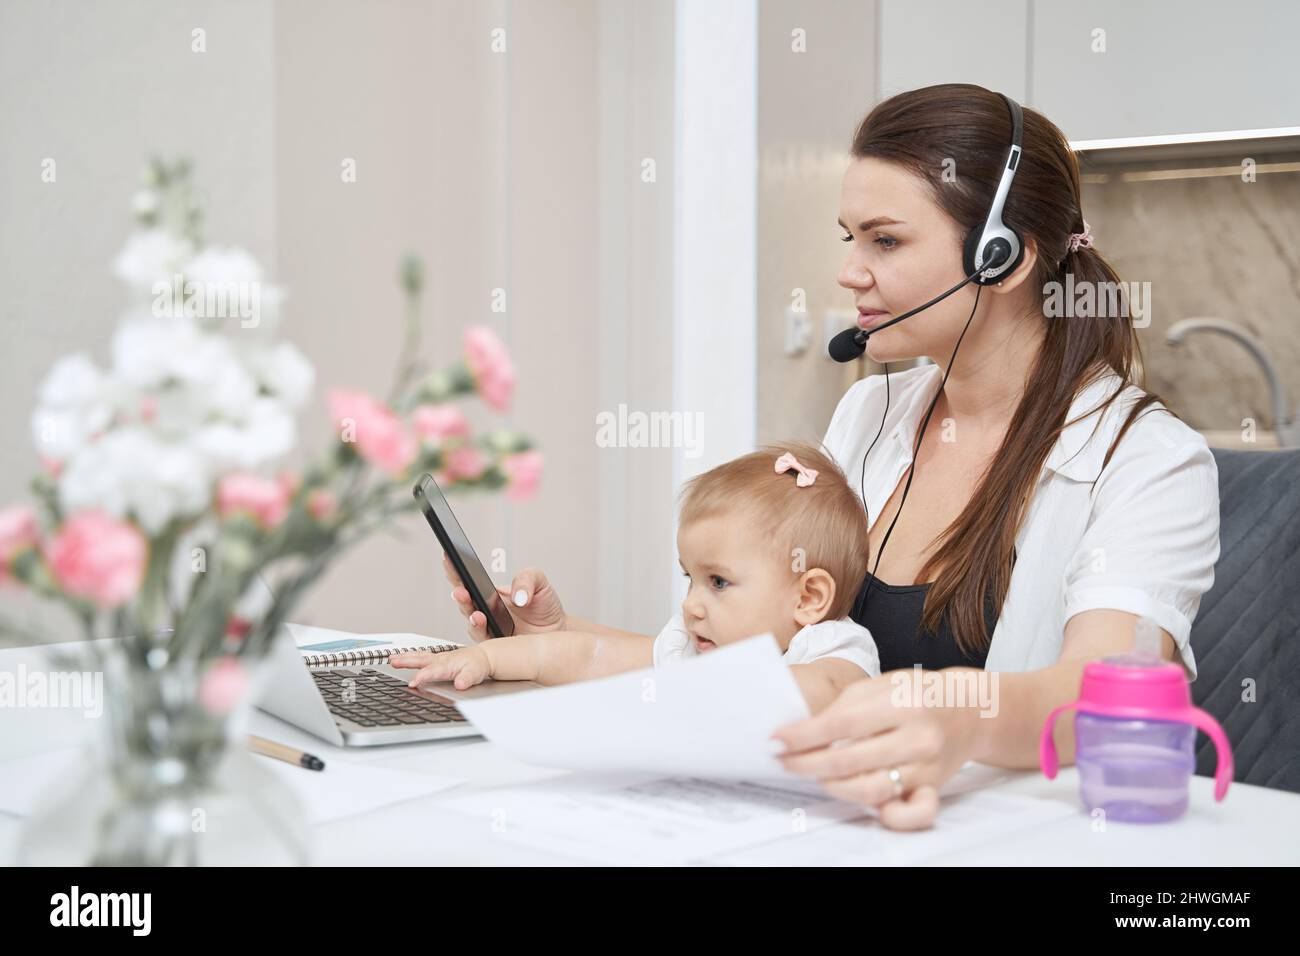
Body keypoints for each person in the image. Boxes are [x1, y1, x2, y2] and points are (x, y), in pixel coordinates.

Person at [421, 83, 1220, 832]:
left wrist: (952, 715)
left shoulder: (1145, 459)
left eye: (886, 240)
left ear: (1003, 258)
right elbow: (763, 659)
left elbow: (1101, 695)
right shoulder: (868, 414)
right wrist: (558, 640)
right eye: (851, 238)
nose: (849, 271)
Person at [393, 442, 880, 713]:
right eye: (690, 578)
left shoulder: (834, 650)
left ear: (809, 597)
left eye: (719, 583)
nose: (691, 604)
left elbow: (828, 693)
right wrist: (487, 657)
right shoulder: (694, 647)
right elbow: (589, 655)